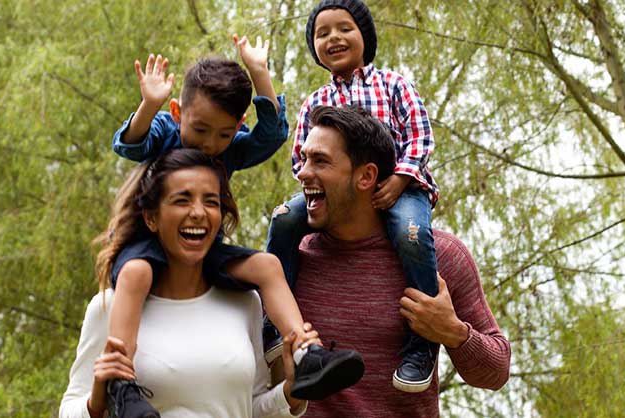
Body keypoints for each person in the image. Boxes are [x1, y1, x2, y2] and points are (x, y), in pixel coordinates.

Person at [106, 38, 362, 416]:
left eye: (224, 134)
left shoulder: (229, 149)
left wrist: (260, 74)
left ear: (237, 126)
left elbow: (272, 136)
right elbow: (129, 145)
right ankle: (122, 386)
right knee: (137, 273)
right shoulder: (166, 131)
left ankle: (307, 353)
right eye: (201, 130)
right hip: (145, 245)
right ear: (178, 112)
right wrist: (149, 105)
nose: (211, 144)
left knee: (268, 266)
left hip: (203, 251)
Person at [60, 149, 320, 418]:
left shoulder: (245, 302)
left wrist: (291, 391)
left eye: (211, 202)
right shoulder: (110, 306)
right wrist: (96, 400)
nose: (198, 212)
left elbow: (251, 407)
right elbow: (68, 410)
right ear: (151, 218)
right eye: (182, 200)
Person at [288, 106, 511, 418]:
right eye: (305, 158)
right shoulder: (289, 259)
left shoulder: (440, 256)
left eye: (320, 161)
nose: (302, 172)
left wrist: (453, 332)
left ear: (366, 176)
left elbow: (496, 372)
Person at [267, 0, 441, 393]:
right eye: (322, 33)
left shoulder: (393, 84)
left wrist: (399, 178)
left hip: (401, 187)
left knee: (412, 235)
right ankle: (274, 320)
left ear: (365, 36)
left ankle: (421, 342)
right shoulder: (314, 102)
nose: (333, 38)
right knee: (283, 218)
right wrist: (316, 185)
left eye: (344, 29)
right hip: (333, 192)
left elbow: (420, 137)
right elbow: (301, 159)